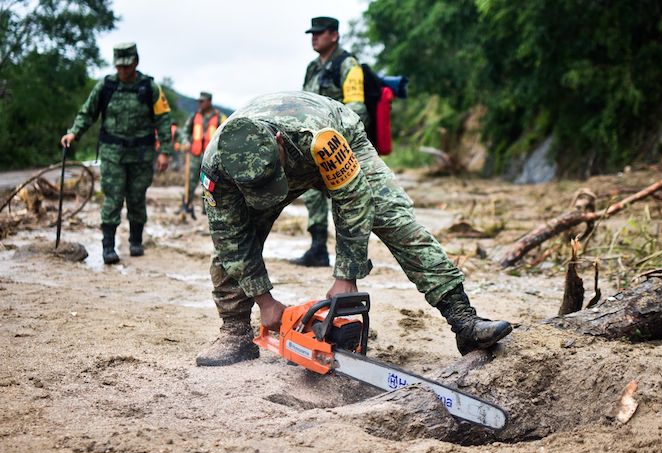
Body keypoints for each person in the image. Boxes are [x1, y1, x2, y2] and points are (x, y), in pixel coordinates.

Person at [195, 91, 512, 366]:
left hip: (338, 133)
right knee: (229, 249)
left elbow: (355, 199)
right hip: (259, 171)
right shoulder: (216, 167)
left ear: (278, 142)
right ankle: (235, 332)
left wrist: (346, 275)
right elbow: (230, 240)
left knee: (394, 219)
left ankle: (463, 319)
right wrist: (265, 302)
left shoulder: (320, 138)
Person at [61, 42, 173, 264]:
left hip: (141, 154)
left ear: (136, 62)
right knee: (112, 198)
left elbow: (163, 120)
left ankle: (135, 241)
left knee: (137, 197)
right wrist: (74, 133)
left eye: (127, 66)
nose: (123, 71)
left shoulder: (150, 88)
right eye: (119, 66)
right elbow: (87, 112)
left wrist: (165, 152)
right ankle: (108, 246)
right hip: (112, 153)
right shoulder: (106, 86)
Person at [292, 16, 368, 268]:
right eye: (311, 33)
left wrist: (337, 140)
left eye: (319, 33)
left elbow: (357, 107)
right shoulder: (312, 68)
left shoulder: (348, 65)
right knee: (313, 195)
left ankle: (352, 259)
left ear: (333, 35)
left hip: (339, 144)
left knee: (346, 199)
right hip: (313, 144)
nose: (314, 37)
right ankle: (317, 248)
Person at [181, 92, 226, 219]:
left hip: (210, 157)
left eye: (202, 101)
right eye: (199, 101)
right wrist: (186, 141)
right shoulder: (194, 116)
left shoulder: (220, 117)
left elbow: (226, 132)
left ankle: (207, 209)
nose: (199, 104)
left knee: (209, 184)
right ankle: (186, 206)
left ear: (209, 102)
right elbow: (185, 132)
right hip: (195, 155)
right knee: (190, 181)